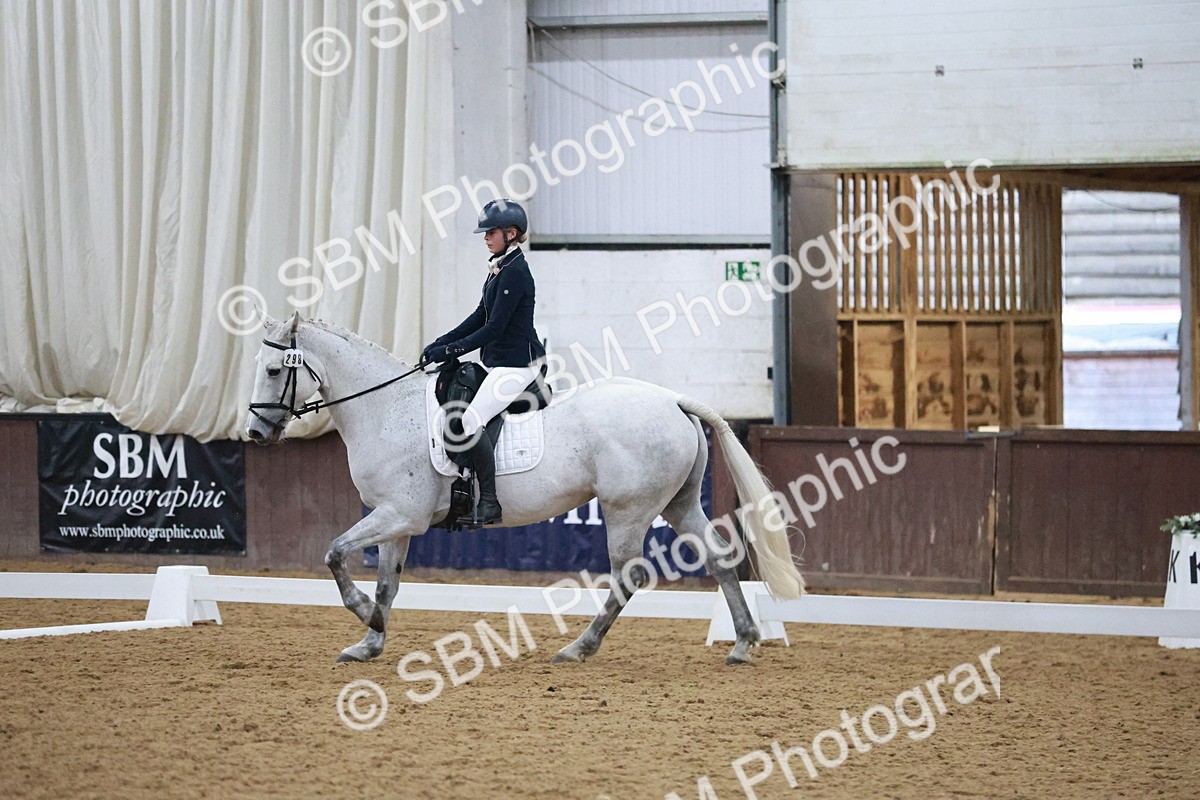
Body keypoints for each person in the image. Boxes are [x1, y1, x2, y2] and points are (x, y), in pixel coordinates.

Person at [422, 199, 546, 527]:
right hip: (497, 364)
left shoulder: (516, 272)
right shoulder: (499, 267)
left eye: (491, 232)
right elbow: (480, 315)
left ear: (511, 233)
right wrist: (442, 342)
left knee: (467, 422)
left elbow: (495, 328)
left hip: (516, 367)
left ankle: (490, 502)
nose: (485, 238)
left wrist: (453, 350)